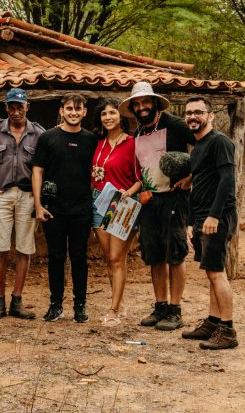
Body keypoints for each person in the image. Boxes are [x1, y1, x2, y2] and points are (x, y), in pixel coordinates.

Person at [119, 81, 195, 331]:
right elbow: (143, 171)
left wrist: (190, 177)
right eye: (137, 104)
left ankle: (175, 309)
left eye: (145, 103)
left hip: (174, 198)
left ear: (154, 103)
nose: (142, 107)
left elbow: (204, 146)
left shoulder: (173, 124)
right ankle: (160, 305)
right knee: (154, 254)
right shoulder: (139, 133)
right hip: (149, 200)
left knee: (175, 253)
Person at [32, 93, 98, 323]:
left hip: (81, 208)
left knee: (79, 257)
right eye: (69, 108)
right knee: (56, 257)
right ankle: (55, 304)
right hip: (53, 209)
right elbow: (37, 171)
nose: (73, 112)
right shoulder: (48, 137)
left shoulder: (91, 139)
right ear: (62, 110)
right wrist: (38, 205)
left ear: (85, 112)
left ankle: (80, 305)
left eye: (78, 109)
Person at [181, 96, 239, 350]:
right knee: (211, 272)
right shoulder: (198, 146)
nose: (193, 117)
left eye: (198, 112)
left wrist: (214, 216)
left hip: (218, 217)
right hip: (203, 218)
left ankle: (228, 331)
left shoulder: (220, 141)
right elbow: (199, 185)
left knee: (217, 273)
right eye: (189, 113)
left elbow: (227, 180)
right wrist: (192, 221)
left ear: (211, 115)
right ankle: (214, 322)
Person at [0, 88, 44, 320]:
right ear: (6, 107)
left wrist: (39, 198)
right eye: (12, 107)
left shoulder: (38, 133)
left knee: (24, 249)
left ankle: (17, 300)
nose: (16, 111)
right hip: (2, 193)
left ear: (27, 106)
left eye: (20, 106)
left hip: (28, 195)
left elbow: (43, 167)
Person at [90, 98, 141, 326]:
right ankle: (119, 305)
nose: (108, 117)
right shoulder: (98, 142)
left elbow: (142, 178)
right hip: (99, 202)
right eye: (104, 114)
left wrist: (128, 192)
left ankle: (112, 310)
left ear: (121, 116)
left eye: (112, 113)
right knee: (109, 259)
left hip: (122, 203)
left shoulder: (132, 143)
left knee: (116, 257)